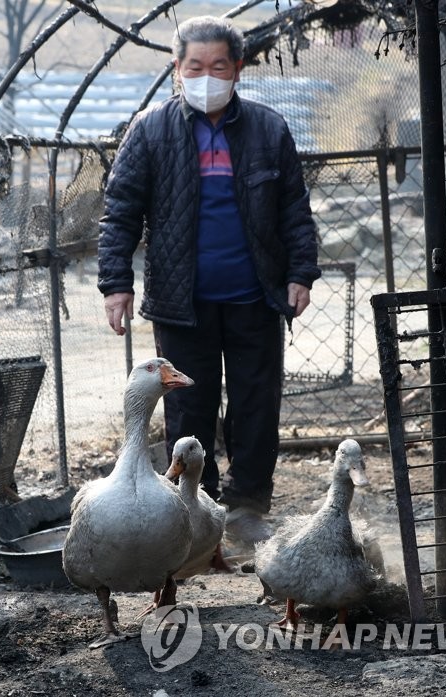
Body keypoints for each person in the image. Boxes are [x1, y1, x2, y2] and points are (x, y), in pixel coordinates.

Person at [97, 16, 321, 545]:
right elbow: (121, 210)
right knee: (188, 410)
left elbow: (294, 209)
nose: (205, 75)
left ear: (237, 69)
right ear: (176, 69)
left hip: (255, 297)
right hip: (181, 304)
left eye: (218, 65)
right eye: (193, 66)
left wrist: (300, 273)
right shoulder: (151, 129)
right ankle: (197, 510)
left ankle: (247, 506)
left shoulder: (268, 129)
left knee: (255, 404)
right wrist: (116, 283)